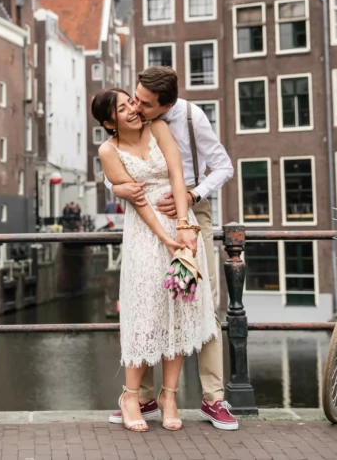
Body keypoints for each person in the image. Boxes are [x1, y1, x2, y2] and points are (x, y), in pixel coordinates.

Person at [104, 66, 238, 431]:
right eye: (134, 98)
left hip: (192, 209)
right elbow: (115, 159)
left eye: (144, 104)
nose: (135, 107)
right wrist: (115, 188)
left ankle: (213, 398)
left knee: (200, 302)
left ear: (166, 105)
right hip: (147, 218)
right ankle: (142, 396)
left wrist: (191, 201)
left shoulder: (191, 118)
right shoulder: (137, 121)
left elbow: (223, 167)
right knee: (147, 301)